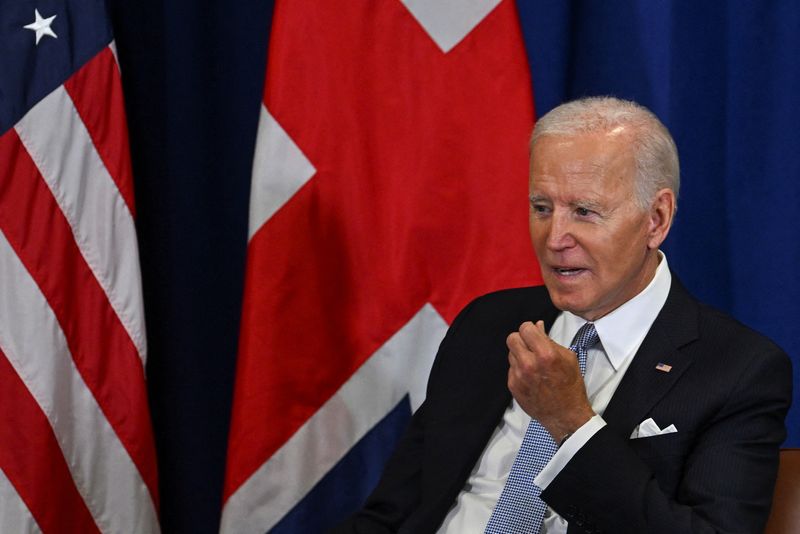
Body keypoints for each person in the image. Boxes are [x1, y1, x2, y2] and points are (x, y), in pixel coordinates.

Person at [334, 97, 792, 533]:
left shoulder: (738, 369)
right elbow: (392, 514)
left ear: (656, 219)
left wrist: (571, 424)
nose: (554, 238)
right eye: (541, 208)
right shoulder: (489, 323)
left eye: (584, 211)